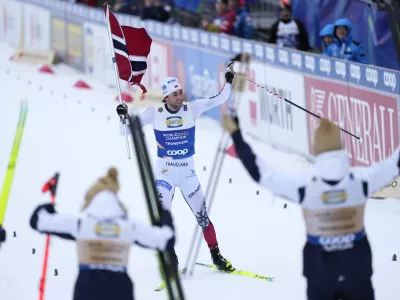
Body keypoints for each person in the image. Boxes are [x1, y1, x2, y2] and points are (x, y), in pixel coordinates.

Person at [221, 114, 400, 300]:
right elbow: (395, 163)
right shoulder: (361, 181)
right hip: (357, 272)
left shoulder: (306, 186)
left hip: (320, 275)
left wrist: (237, 135)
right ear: (340, 146)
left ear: (316, 149)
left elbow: (262, 174)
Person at [116, 66, 235, 272]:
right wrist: (123, 116)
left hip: (188, 173)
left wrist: (229, 81)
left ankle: (216, 255)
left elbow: (219, 99)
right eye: (175, 94)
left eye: (180, 92)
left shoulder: (192, 108)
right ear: (165, 97)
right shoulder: (155, 113)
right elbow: (124, 131)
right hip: (165, 175)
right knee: (163, 219)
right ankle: (171, 257)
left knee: (203, 218)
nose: (180, 97)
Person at [30, 168, 175, 300]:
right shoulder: (129, 226)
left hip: (86, 290)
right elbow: (165, 239)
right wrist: (165, 219)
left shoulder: (81, 224)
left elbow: (38, 221)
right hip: (120, 290)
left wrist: (47, 208)